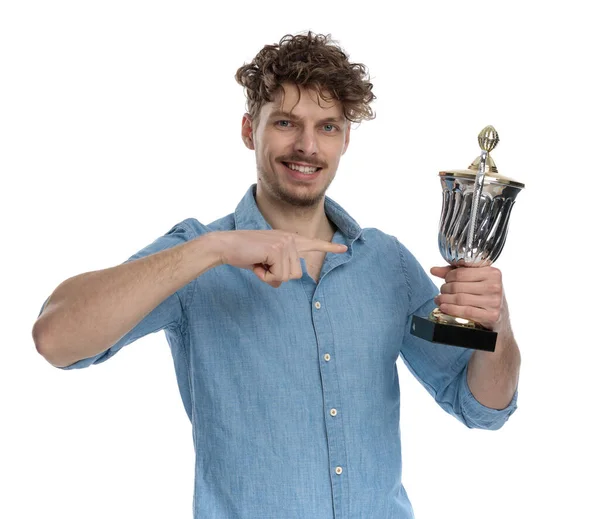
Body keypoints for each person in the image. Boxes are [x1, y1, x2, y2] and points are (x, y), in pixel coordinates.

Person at [32, 31, 519, 519]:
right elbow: (56, 337)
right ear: (249, 130)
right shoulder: (199, 255)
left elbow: (482, 406)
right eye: (286, 122)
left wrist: (496, 323)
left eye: (327, 127)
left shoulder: (387, 263)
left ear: (346, 138)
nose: (307, 146)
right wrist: (216, 248)